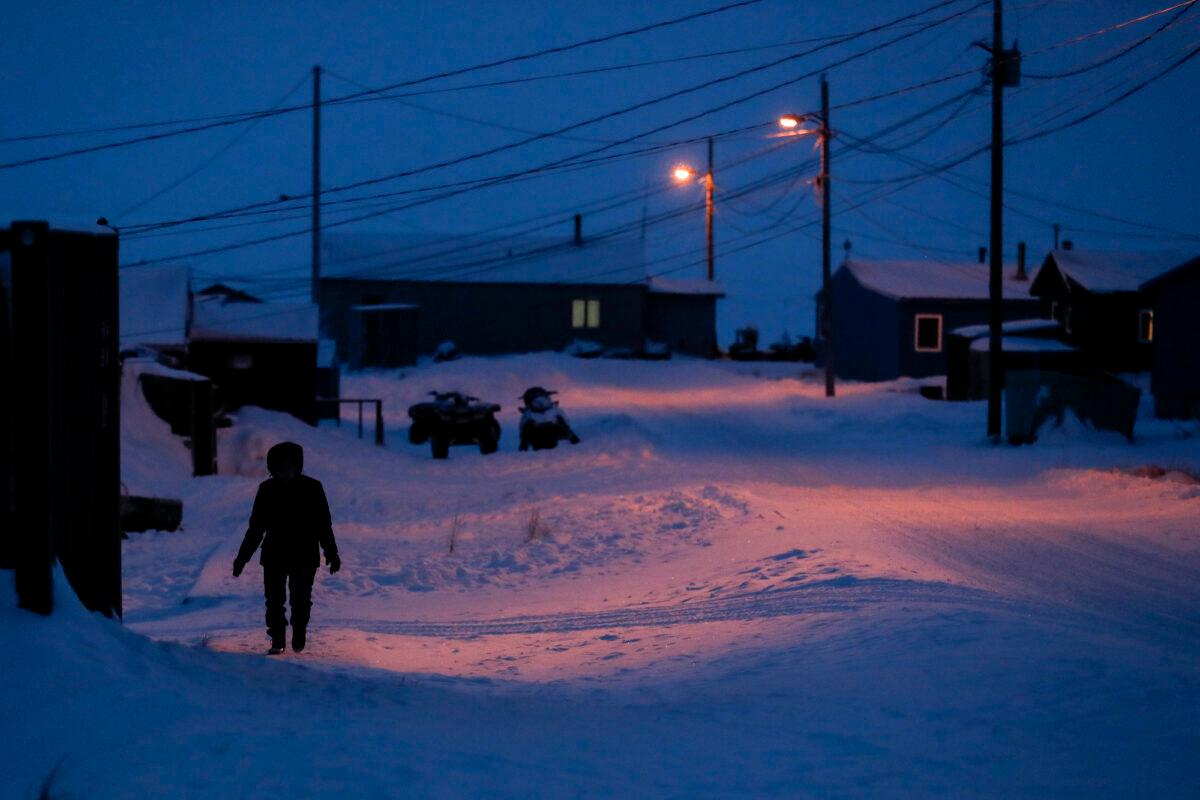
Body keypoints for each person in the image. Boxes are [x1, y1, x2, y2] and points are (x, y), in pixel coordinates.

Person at [233, 441, 341, 655]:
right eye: (280, 466)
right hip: (275, 553)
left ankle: (299, 629)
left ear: (297, 466)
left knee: (300, 599)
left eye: (289, 466)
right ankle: (278, 638)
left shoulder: (312, 488)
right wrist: (242, 558)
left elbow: (323, 524)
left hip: (304, 554)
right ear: (273, 468)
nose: (285, 471)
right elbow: (256, 528)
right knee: (274, 600)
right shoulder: (266, 490)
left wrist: (331, 552)